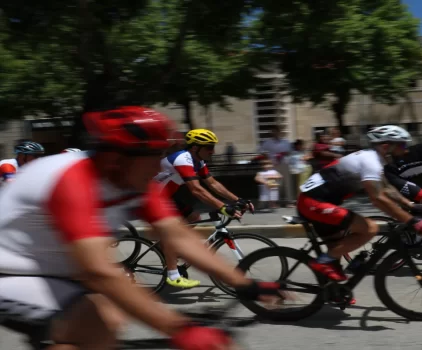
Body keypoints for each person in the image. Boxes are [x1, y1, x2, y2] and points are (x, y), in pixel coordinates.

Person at [0, 106, 281, 350]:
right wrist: (179, 329)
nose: (160, 163)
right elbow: (98, 271)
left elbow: (179, 235)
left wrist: (243, 283)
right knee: (95, 327)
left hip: (54, 270)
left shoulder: (133, 180)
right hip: (12, 273)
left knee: (108, 322)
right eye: (154, 155)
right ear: (117, 159)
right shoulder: (72, 182)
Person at [298, 125, 422, 285]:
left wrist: (412, 206)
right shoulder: (370, 161)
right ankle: (321, 262)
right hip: (313, 202)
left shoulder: (373, 160)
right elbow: (377, 198)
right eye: (402, 145)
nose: (405, 150)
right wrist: (411, 220)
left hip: (321, 202)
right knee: (370, 228)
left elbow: (386, 188)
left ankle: (332, 291)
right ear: (386, 146)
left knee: (337, 249)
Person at [155, 128, 254, 289]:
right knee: (173, 232)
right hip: (151, 196)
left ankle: (165, 249)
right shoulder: (183, 159)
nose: (213, 151)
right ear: (195, 148)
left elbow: (213, 183)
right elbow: (196, 189)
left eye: (213, 147)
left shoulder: (198, 161)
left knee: (194, 218)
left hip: (165, 196)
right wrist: (223, 207)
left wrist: (239, 199)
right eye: (209, 147)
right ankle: (173, 275)